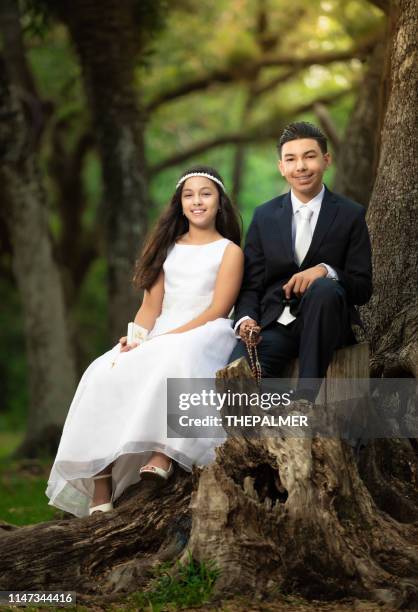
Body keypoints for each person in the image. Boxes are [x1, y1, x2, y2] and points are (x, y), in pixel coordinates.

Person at [46, 165, 243, 518]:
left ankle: (162, 452)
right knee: (103, 370)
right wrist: (137, 338)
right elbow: (150, 307)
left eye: (206, 194)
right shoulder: (168, 249)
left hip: (207, 329)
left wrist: (168, 337)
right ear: (180, 204)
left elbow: (219, 307)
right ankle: (101, 483)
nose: (197, 201)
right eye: (189, 195)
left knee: (177, 354)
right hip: (163, 329)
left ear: (219, 202)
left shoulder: (229, 251)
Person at [229, 121, 372, 401]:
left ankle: (305, 399)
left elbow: (362, 288)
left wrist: (325, 271)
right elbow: (251, 286)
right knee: (238, 387)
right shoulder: (264, 216)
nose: (301, 167)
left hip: (326, 325)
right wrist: (246, 319)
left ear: (326, 160)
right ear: (281, 167)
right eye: (291, 159)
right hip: (273, 326)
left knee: (324, 289)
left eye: (309, 156)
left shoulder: (350, 215)